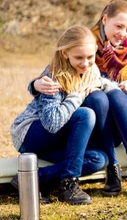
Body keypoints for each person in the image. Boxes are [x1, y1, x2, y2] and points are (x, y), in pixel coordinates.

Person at [32, 0, 127, 199]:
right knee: (99, 97)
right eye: (119, 26)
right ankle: (112, 167)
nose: (123, 33)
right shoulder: (84, 46)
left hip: (115, 123)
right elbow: (53, 73)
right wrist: (35, 84)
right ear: (105, 19)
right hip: (84, 120)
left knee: (114, 93)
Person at [10, 25, 113, 205]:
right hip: (30, 134)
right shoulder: (53, 77)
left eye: (90, 57)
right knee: (85, 115)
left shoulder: (91, 70)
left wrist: (102, 85)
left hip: (56, 141)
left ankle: (35, 178)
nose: (86, 63)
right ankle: (69, 184)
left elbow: (101, 81)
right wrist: (78, 95)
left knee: (98, 159)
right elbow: (52, 123)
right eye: (79, 58)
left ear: (95, 50)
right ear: (65, 54)